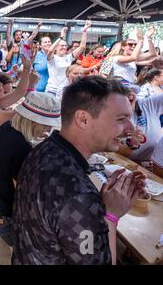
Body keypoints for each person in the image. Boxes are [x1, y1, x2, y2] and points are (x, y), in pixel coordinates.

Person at [12, 76, 145, 265]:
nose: (131, 128)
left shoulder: (44, 149)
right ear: (83, 119)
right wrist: (111, 214)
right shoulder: (79, 197)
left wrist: (99, 202)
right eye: (121, 119)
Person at [0, 92, 60, 246]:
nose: (49, 128)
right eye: (47, 124)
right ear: (36, 122)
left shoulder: (9, 127)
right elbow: (26, 194)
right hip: (7, 218)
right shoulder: (22, 149)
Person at [117, 87, 163, 163]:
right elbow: (114, 150)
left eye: (131, 93)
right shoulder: (110, 115)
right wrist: (131, 144)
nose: (129, 96)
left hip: (151, 166)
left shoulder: (147, 104)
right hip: (122, 163)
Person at [45, 21, 90, 95]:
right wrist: (61, 36)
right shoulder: (53, 58)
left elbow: (82, 47)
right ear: (56, 47)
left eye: (65, 46)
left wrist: (85, 31)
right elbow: (50, 50)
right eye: (62, 45)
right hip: (52, 90)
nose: (64, 47)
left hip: (64, 89)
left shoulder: (69, 57)